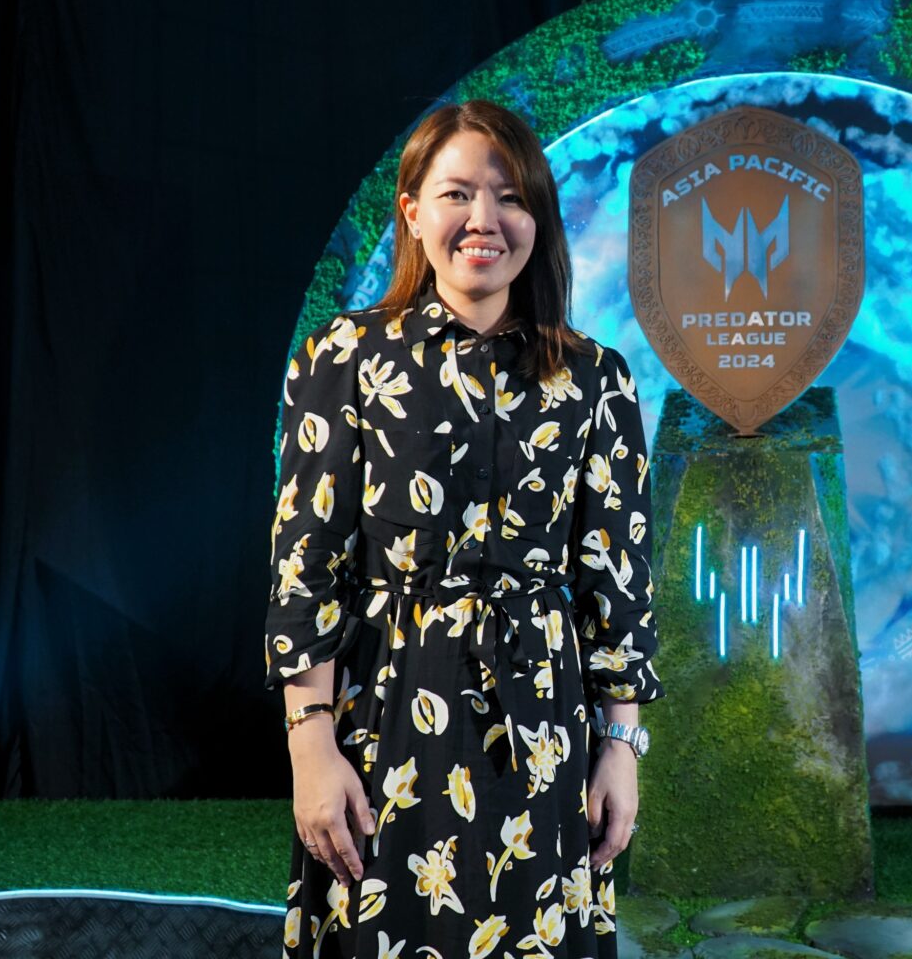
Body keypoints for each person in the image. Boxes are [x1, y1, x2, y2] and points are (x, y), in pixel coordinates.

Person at [264, 99, 663, 959]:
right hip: (384, 720)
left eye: (511, 197)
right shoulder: (344, 358)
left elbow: (617, 581)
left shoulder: (597, 379)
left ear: (538, 220)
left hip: (544, 728)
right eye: (457, 194)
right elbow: (307, 567)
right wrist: (311, 747)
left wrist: (622, 747)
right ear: (412, 211)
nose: (485, 218)